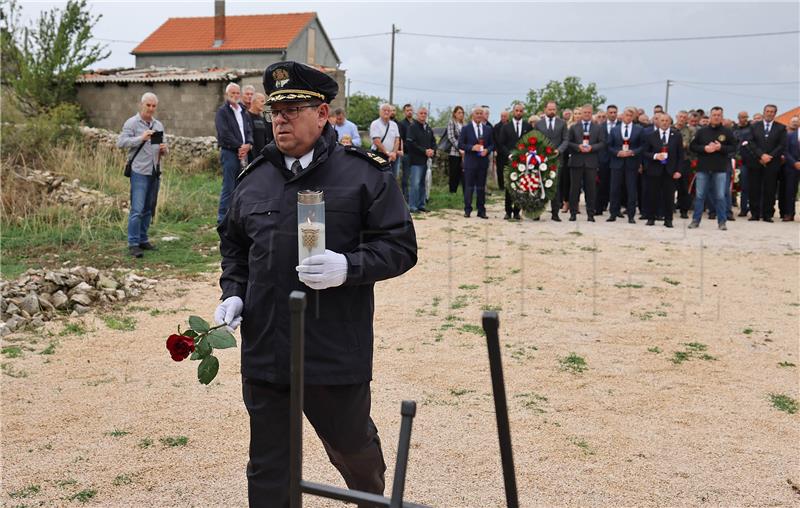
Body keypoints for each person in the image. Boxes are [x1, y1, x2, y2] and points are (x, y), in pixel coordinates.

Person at [215, 61, 417, 506]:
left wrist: (349, 266)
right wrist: (232, 292)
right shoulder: (255, 179)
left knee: (353, 450)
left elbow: (401, 245)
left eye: (293, 109)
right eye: (274, 111)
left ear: (323, 114)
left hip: (333, 346)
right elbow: (234, 245)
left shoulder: (363, 174)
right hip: (267, 347)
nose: (280, 120)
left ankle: (373, 500)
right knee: (269, 465)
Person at [117, 92, 167, 258]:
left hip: (154, 171)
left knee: (148, 209)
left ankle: (143, 240)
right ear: (142, 105)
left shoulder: (158, 125)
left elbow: (159, 147)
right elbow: (121, 143)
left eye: (154, 106)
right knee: (137, 209)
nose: (151, 109)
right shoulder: (132, 123)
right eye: (148, 105)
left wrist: (164, 150)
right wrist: (140, 138)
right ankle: (133, 243)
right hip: (139, 171)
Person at [688, 106, 736, 230]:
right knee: (700, 196)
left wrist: (721, 148)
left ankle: (722, 222)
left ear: (722, 117)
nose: (716, 117)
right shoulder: (702, 131)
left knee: (720, 196)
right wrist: (705, 148)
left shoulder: (727, 131)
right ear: (710, 117)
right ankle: (695, 220)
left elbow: (733, 148)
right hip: (703, 168)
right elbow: (693, 146)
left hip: (720, 168)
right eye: (714, 115)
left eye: (719, 115)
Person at [215, 83, 253, 224]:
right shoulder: (222, 112)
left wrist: (248, 144)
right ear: (227, 94)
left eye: (237, 93)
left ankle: (236, 217)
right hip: (230, 153)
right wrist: (240, 146)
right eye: (232, 93)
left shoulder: (243, 110)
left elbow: (249, 130)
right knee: (229, 186)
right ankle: (222, 218)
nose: (235, 95)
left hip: (244, 153)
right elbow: (224, 133)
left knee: (241, 186)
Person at [642, 113, 684, 227]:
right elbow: (645, 152)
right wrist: (655, 156)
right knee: (652, 195)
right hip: (654, 170)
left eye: (667, 120)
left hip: (670, 171)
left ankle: (668, 219)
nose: (664, 122)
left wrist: (679, 171)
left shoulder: (676, 135)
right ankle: (651, 218)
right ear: (658, 122)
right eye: (662, 120)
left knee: (669, 196)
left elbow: (680, 155)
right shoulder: (651, 136)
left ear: (670, 122)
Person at [747, 104, 787, 222]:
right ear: (764, 112)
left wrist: (770, 156)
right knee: (754, 188)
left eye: (772, 112)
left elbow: (782, 145)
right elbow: (751, 142)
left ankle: (767, 214)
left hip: (772, 162)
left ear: (775, 113)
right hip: (757, 161)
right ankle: (755, 213)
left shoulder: (781, 128)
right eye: (767, 111)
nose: (769, 113)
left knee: (770, 189)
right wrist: (761, 155)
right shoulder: (755, 126)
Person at [566, 104, 606, 221]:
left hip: (591, 162)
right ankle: (573, 213)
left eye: (589, 112)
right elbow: (568, 142)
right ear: (581, 113)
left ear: (591, 113)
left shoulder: (598, 128)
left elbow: (603, 143)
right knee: (574, 188)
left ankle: (590, 214)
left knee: (591, 189)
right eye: (585, 112)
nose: (587, 114)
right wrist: (578, 147)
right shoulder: (574, 127)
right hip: (576, 161)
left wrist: (592, 148)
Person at [607, 107, 644, 224]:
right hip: (617, 163)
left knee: (631, 190)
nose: (628, 117)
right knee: (614, 189)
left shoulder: (639, 129)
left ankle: (631, 215)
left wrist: (632, 152)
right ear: (622, 116)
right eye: (626, 114)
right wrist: (618, 152)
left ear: (633, 117)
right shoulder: (614, 130)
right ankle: (613, 213)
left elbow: (643, 146)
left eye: (630, 115)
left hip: (631, 163)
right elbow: (609, 146)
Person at [535, 101, 569, 222]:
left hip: (556, 159)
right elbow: (535, 141)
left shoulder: (562, 123)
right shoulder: (539, 124)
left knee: (555, 186)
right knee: (540, 185)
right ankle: (537, 212)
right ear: (545, 110)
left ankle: (555, 213)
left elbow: (566, 140)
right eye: (549, 109)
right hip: (542, 160)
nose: (552, 111)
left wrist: (558, 151)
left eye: (554, 109)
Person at [458, 106, 494, 218]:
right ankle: (467, 209)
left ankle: (481, 210)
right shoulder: (466, 129)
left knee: (481, 187)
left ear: (483, 115)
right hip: (470, 162)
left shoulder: (488, 129)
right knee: (469, 187)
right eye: (477, 113)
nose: (479, 115)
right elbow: (460, 144)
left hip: (483, 162)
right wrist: (472, 147)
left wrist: (487, 150)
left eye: (480, 113)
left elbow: (492, 144)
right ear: (472, 115)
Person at [500, 103, 532, 219]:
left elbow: (530, 143)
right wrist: (509, 154)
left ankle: (517, 211)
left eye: (520, 111)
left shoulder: (527, 126)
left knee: (520, 187)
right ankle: (508, 211)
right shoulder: (506, 127)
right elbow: (502, 144)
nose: (518, 113)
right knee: (509, 186)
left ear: (523, 112)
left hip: (523, 161)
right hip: (510, 160)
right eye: (516, 110)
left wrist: (526, 154)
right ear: (513, 112)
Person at [404, 106, 436, 213]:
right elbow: (410, 143)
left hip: (426, 161)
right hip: (416, 160)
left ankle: (421, 204)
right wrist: (424, 151)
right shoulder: (412, 127)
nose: (423, 115)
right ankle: (412, 206)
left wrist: (432, 150)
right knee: (415, 183)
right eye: (421, 113)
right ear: (417, 115)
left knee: (424, 183)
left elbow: (433, 141)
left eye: (425, 113)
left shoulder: (428, 128)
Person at [596, 104, 619, 215]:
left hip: (618, 159)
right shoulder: (601, 126)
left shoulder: (621, 125)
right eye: (611, 112)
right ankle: (599, 208)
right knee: (602, 184)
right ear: (607, 114)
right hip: (603, 159)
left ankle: (616, 210)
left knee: (617, 185)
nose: (613, 114)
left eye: (615, 112)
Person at [369, 103, 401, 179]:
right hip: (378, 154)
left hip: (392, 156)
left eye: (388, 110)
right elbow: (377, 141)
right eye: (384, 110)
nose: (386, 112)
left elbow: (397, 140)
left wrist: (393, 153)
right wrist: (388, 153)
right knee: (377, 177)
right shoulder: (375, 124)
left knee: (391, 178)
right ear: (380, 112)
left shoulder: (394, 125)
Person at [733, 111, 753, 217]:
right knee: (738, 186)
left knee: (747, 186)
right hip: (735, 160)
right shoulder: (734, 130)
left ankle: (747, 208)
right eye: (742, 117)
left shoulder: (752, 129)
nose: (744, 119)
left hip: (748, 161)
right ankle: (740, 207)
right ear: (738, 118)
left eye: (745, 117)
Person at [247, 92, 273, 161]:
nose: (264, 103)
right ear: (254, 101)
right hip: (250, 157)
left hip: (261, 156)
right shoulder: (246, 117)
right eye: (262, 101)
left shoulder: (262, 119)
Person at [446, 105, 465, 193]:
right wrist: (460, 148)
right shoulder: (451, 122)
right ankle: (452, 192)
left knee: (461, 173)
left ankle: (460, 192)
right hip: (454, 152)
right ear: (454, 114)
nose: (461, 114)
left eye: (462, 113)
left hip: (464, 153)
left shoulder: (464, 124)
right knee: (453, 173)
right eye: (459, 113)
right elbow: (451, 137)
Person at [783, 119, 800, 221]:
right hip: (792, 166)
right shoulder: (790, 135)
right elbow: (785, 151)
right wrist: (794, 162)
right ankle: (789, 213)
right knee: (790, 191)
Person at [398, 104, 414, 199]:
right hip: (407, 153)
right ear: (404, 112)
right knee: (406, 176)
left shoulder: (416, 123)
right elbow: (401, 139)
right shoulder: (402, 124)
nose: (410, 112)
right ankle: (405, 196)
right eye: (408, 110)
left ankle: (413, 197)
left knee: (414, 177)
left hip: (416, 155)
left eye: (411, 110)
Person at [493, 110, 510, 191]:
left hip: (509, 152)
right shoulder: (496, 126)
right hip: (499, 152)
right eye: (502, 116)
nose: (503, 118)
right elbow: (495, 139)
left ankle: (510, 185)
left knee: (510, 169)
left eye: (505, 116)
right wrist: (495, 150)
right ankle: (501, 186)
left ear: (508, 117)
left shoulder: (511, 125)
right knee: (500, 170)